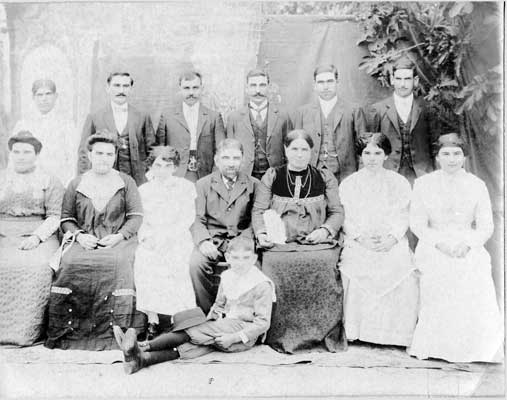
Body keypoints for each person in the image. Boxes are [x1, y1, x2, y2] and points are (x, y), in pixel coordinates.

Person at [114, 237, 276, 374]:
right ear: (227, 257)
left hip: (242, 335)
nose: (240, 263)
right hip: (224, 328)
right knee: (188, 343)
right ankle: (139, 359)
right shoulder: (228, 276)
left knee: (191, 330)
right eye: (236, 258)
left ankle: (144, 345)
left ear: (254, 259)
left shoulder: (261, 284)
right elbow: (219, 306)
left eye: (246, 258)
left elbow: (262, 323)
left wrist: (232, 338)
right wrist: (209, 320)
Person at [45, 131, 145, 350]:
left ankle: (118, 334)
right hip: (84, 240)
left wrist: (119, 236)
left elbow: (136, 217)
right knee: (70, 264)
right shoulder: (77, 183)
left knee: (119, 263)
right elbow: (67, 219)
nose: (104, 158)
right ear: (89, 155)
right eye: (99, 153)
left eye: (109, 154)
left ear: (115, 156)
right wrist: (80, 235)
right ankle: (71, 334)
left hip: (118, 241)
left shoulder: (126, 182)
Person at [407, 133, 503, 362]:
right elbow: (417, 224)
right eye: (446, 154)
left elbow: (486, 225)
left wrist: (468, 244)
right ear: (437, 157)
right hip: (434, 242)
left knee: (475, 267)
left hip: (466, 242)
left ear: (464, 157)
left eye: (457, 154)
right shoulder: (423, 184)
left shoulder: (477, 185)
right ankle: (435, 347)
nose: (452, 159)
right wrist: (440, 243)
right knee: (438, 270)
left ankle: (477, 348)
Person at [252, 129, 346, 354]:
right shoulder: (272, 176)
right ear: (285, 150)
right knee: (274, 266)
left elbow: (337, 212)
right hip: (280, 243)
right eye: (294, 148)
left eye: (305, 149)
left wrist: (325, 230)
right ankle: (280, 334)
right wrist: (262, 234)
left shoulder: (324, 176)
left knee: (323, 264)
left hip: (316, 243)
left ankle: (320, 333)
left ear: (311, 152)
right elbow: (258, 210)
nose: (299, 154)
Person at [338, 132, 418, 347]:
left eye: (377, 152)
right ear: (360, 156)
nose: (372, 158)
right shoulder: (349, 183)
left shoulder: (398, 182)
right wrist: (360, 237)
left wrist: (392, 237)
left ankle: (394, 334)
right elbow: (346, 217)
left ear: (386, 156)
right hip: (360, 240)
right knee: (355, 263)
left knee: (400, 263)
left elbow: (404, 214)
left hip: (390, 240)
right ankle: (357, 330)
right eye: (367, 153)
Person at [0, 131, 64, 345]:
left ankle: (24, 332)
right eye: (16, 152)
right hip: (3, 233)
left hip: (39, 234)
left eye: (27, 152)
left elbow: (55, 215)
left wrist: (36, 238)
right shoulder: (1, 177)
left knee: (36, 267)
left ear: (36, 154)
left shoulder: (49, 180)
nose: (20, 156)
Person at [189, 138, 259, 314]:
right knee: (195, 264)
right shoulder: (203, 185)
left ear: (242, 160)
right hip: (213, 241)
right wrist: (204, 241)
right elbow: (197, 219)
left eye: (236, 158)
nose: (231, 163)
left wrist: (244, 242)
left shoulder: (253, 185)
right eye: (226, 158)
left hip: (241, 239)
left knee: (255, 266)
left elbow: (256, 218)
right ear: (216, 160)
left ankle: (243, 315)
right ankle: (207, 313)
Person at [134, 146, 197, 339]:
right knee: (145, 260)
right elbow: (141, 220)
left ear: (175, 167)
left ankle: (175, 318)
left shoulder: (185, 187)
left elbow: (187, 218)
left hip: (177, 237)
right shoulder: (143, 190)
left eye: (168, 165)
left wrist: (168, 237)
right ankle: (153, 319)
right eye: (158, 165)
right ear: (151, 167)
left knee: (175, 262)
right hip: (152, 237)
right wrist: (147, 237)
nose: (162, 170)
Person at [77, 72, 156, 185]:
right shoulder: (95, 117)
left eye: (126, 86)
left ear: (131, 89)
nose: (121, 91)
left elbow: (152, 149)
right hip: (104, 178)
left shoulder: (142, 116)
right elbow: (84, 152)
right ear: (108, 88)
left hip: (136, 178)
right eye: (117, 86)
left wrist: (150, 175)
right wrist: (83, 180)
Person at [293, 64, 367, 184]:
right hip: (311, 174)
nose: (326, 86)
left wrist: (361, 177)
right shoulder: (303, 113)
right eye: (321, 82)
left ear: (337, 82)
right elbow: (295, 149)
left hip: (345, 175)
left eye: (330, 81)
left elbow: (364, 148)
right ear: (315, 85)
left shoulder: (353, 110)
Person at [370, 57, 438, 184]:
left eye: (407, 79)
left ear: (415, 81)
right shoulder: (378, 110)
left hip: (422, 175)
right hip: (388, 176)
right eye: (398, 79)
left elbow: (435, 147)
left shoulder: (428, 108)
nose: (402, 84)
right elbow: (370, 148)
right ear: (392, 80)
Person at [156, 71, 226, 182]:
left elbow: (221, 150)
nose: (191, 92)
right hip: (175, 175)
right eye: (186, 88)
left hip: (205, 175)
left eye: (195, 88)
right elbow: (159, 151)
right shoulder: (167, 117)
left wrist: (214, 177)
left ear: (202, 88)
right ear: (180, 88)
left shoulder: (214, 117)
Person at [226, 68, 292, 180]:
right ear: (246, 89)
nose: (257, 90)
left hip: (275, 176)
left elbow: (290, 149)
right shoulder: (234, 118)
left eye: (262, 85)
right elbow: (229, 152)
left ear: (269, 88)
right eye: (253, 85)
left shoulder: (282, 116)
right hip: (244, 177)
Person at [13, 79, 77, 185]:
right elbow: (15, 158)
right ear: (33, 97)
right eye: (39, 95)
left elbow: (72, 158)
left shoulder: (67, 125)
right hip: (29, 183)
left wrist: (67, 185)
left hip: (58, 182)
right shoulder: (22, 124)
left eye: (48, 94)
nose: (44, 99)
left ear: (56, 96)